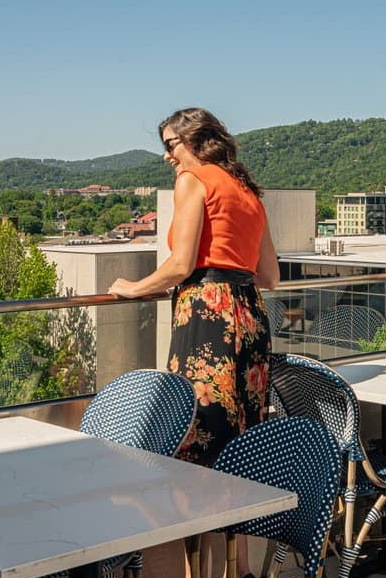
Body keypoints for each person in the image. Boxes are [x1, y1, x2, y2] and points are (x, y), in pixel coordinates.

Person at [109, 107, 279, 468]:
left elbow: (182, 264)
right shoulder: (249, 193)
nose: (166, 155)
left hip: (208, 312)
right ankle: (241, 518)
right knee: (245, 430)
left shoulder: (193, 179)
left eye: (171, 145)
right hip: (250, 311)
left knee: (200, 426)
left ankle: (201, 519)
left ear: (196, 141)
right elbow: (269, 278)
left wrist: (135, 287)